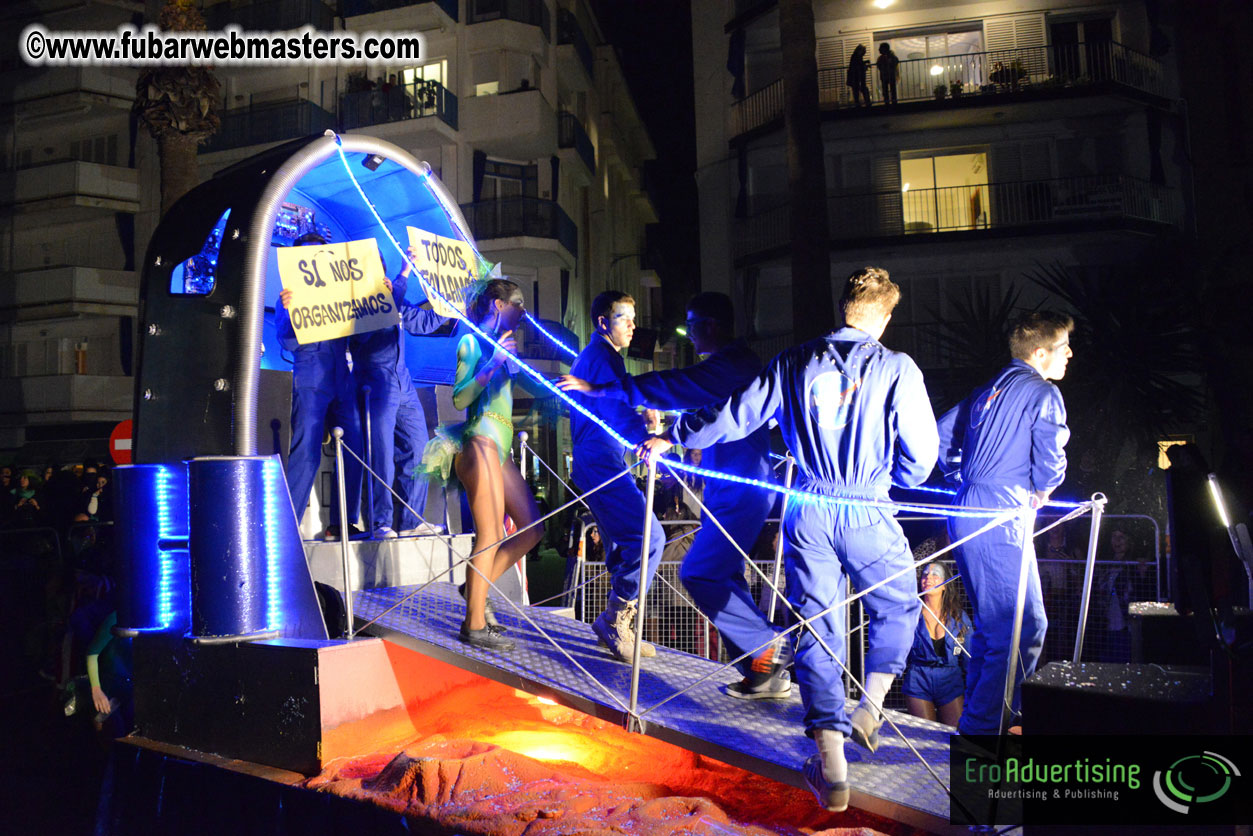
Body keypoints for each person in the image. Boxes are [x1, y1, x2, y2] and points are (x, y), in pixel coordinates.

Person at [639, 267, 938, 812]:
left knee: (820, 627)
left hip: (810, 508)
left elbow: (736, 414)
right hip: (866, 505)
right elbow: (920, 461)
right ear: (885, 316)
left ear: (844, 306)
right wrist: (887, 475)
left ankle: (833, 765)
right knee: (898, 604)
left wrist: (673, 436)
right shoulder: (898, 367)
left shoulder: (793, 360)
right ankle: (870, 707)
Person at [559, 292, 788, 698]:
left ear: (710, 326)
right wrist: (649, 431)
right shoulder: (732, 364)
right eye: (624, 318)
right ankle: (760, 671)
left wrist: (659, 433)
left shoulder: (730, 365)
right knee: (702, 565)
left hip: (739, 488)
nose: (689, 332)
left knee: (697, 570)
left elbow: (682, 389)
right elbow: (679, 394)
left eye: (692, 324)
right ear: (603, 322)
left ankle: (767, 650)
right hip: (725, 485)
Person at [936, 311, 1073, 737]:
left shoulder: (986, 390)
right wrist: (1043, 489)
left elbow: (941, 436)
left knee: (1000, 627)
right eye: (1064, 347)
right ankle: (984, 730)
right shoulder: (1043, 392)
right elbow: (1050, 457)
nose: (1070, 354)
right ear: (1040, 353)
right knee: (1021, 627)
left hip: (967, 507)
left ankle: (982, 720)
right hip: (1000, 511)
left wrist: (962, 478)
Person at [418, 279, 542, 651]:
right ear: (498, 305)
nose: (523, 311)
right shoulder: (471, 342)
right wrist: (493, 363)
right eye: (518, 303)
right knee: (490, 534)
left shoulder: (505, 344)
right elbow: (459, 398)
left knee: (532, 528)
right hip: (479, 442)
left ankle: (475, 585)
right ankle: (473, 624)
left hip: (500, 448)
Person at [565, 291, 662, 663]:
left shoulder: (598, 357)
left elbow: (617, 405)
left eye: (634, 318)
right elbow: (616, 412)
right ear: (603, 322)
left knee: (623, 544)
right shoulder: (603, 357)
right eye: (624, 318)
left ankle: (616, 623)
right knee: (650, 537)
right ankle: (615, 618)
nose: (633, 326)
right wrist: (648, 439)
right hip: (601, 460)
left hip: (600, 459)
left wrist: (642, 420)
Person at [351, 246, 450, 539]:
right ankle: (379, 522)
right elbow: (375, 325)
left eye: (382, 269)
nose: (381, 276)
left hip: (402, 381)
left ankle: (410, 521)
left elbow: (423, 322)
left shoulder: (394, 299)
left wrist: (449, 304)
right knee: (380, 455)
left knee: (419, 448)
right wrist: (404, 274)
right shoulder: (355, 303)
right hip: (374, 381)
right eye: (374, 271)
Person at [276, 233, 365, 540]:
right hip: (310, 378)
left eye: (319, 255)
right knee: (306, 451)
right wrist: (290, 311)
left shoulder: (340, 293)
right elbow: (286, 341)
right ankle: (287, 527)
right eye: (306, 256)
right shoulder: (288, 297)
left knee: (355, 446)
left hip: (341, 377)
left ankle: (342, 523)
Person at [902, 561, 971, 727]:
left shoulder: (958, 617)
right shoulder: (911, 615)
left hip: (950, 681)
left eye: (935, 574)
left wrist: (976, 687)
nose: (928, 578)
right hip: (918, 679)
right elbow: (899, 649)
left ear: (945, 585)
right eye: (925, 574)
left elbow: (970, 656)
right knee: (924, 733)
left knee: (955, 733)